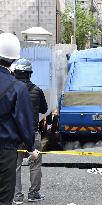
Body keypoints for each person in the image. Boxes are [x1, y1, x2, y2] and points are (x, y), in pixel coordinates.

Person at [0, 33, 39, 205]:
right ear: (15, 60)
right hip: (5, 150)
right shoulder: (17, 87)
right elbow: (24, 122)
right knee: (4, 196)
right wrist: (31, 147)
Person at [13, 58, 48, 204]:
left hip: (14, 135)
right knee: (35, 164)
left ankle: (17, 196)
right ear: (29, 74)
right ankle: (33, 194)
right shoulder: (37, 90)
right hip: (32, 133)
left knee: (15, 166)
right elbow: (44, 109)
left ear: (15, 73)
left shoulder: (11, 89)